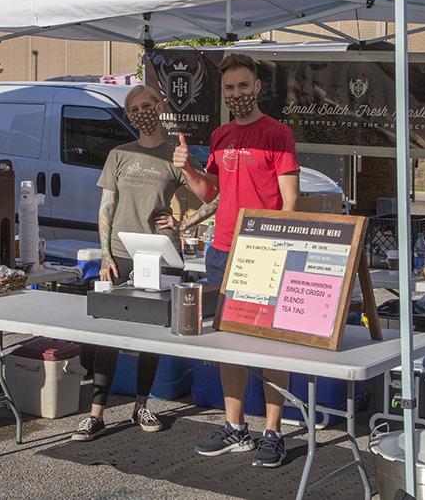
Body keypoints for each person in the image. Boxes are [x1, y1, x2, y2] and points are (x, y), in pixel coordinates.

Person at [173, 53, 300, 468]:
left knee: (267, 343)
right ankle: (236, 428)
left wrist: (273, 247)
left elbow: (290, 200)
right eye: (229, 88)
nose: (237, 94)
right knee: (229, 342)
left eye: (243, 86)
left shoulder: (278, 134)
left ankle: (273, 431)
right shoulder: (222, 135)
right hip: (222, 249)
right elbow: (210, 193)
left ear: (258, 87)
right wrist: (188, 167)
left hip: (261, 250)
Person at [72, 85, 216, 442]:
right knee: (108, 332)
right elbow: (106, 206)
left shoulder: (175, 155)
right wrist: (104, 254)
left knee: (151, 335)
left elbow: (215, 195)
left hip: (160, 254)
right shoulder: (119, 153)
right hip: (120, 252)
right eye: (133, 109)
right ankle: (96, 414)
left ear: (160, 107)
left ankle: (142, 405)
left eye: (146, 106)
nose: (141, 114)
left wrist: (185, 223)